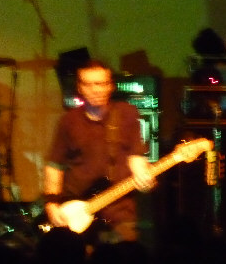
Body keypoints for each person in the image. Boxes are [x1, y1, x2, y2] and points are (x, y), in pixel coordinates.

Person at [42, 59, 154, 246]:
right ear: (80, 88)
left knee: (123, 254)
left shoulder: (127, 113)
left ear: (110, 86)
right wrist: (51, 204)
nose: (95, 90)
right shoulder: (68, 121)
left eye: (101, 84)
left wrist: (143, 174)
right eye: (89, 84)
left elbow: (136, 155)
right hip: (78, 209)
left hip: (120, 210)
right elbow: (54, 165)